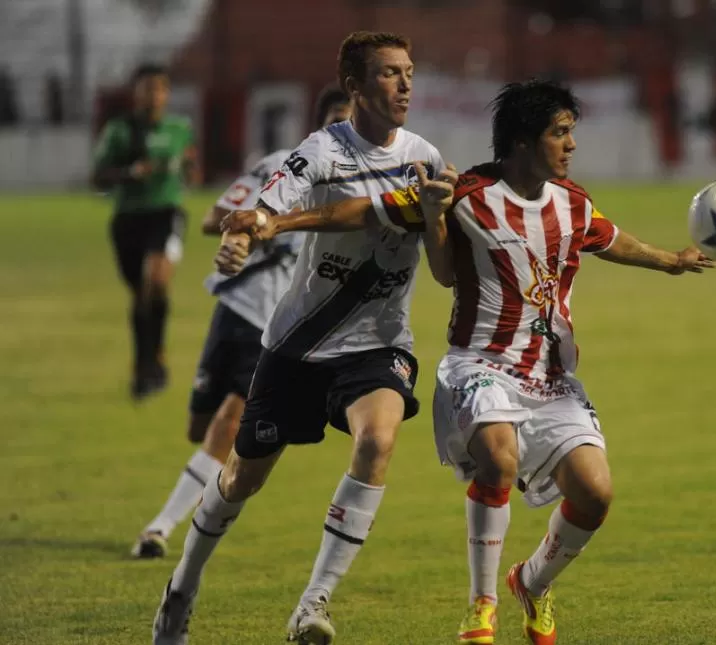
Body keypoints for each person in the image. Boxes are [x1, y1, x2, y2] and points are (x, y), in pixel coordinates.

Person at [151, 31, 457, 645]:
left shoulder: (426, 157)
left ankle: (313, 603)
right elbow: (271, 204)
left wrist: (436, 216)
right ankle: (181, 589)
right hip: (298, 343)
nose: (405, 84)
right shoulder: (322, 150)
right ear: (357, 88)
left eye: (409, 72)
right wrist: (247, 232)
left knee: (378, 440)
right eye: (391, 74)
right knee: (241, 480)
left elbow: (446, 272)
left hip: (380, 342)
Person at [388, 79, 712, 645]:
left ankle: (531, 583)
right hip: (480, 364)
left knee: (595, 493)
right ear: (521, 141)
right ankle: (480, 608)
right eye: (559, 132)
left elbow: (611, 239)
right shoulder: (469, 194)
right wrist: (435, 219)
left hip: (549, 377)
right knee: (497, 454)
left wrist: (671, 261)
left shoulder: (573, 203)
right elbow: (443, 272)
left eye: (571, 132)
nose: (571, 144)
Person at [130, 87, 350, 559]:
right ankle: (216, 489)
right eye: (335, 120)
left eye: (350, 122)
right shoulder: (278, 165)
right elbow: (213, 218)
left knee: (229, 422)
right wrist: (253, 231)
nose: (342, 131)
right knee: (200, 427)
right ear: (318, 126)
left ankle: (161, 529)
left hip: (279, 324)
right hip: (234, 309)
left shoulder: (361, 190)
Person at [92, 63, 199, 399]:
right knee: (140, 295)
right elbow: (98, 178)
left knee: (156, 279)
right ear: (136, 93)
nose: (153, 95)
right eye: (146, 89)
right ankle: (144, 363)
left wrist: (189, 168)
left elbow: (192, 167)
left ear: (167, 93)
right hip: (127, 218)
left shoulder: (180, 128)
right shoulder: (120, 131)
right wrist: (129, 172)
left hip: (165, 214)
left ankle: (156, 358)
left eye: (159, 88)